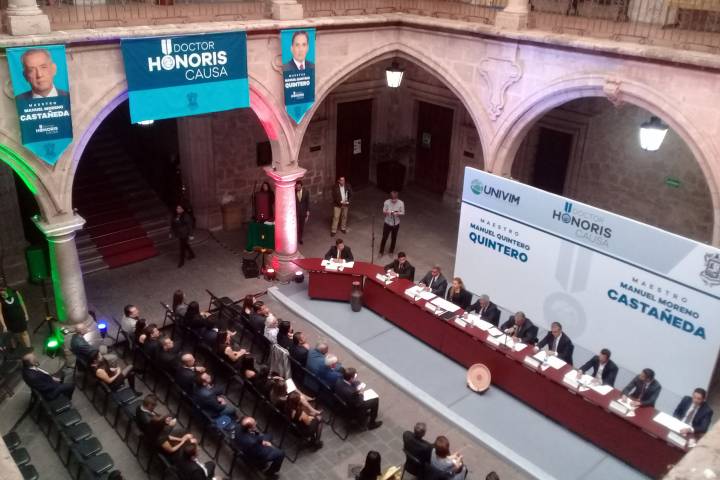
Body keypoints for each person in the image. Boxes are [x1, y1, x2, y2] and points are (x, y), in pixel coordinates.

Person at [379, 191, 405, 256]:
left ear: (397, 198)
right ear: (390, 198)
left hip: (396, 223)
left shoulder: (401, 203)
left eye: (395, 199)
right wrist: (388, 212)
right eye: (392, 199)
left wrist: (397, 213)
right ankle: (381, 251)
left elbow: (403, 212)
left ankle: (391, 251)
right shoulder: (386, 202)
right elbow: (383, 211)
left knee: (394, 238)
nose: (394, 201)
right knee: (384, 237)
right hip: (387, 223)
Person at [295, 180, 311, 244]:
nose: (298, 188)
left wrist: (308, 211)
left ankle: (300, 238)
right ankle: (294, 237)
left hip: (303, 211)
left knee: (301, 226)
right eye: (297, 187)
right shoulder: (293, 192)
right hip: (295, 211)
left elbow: (307, 202)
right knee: (295, 225)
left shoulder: (306, 192)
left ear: (302, 186)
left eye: (299, 187)